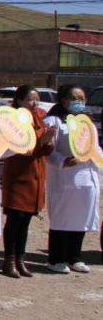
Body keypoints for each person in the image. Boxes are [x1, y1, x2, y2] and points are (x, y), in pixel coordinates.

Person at [43, 84, 98, 274]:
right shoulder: (53, 121)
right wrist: (62, 161)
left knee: (81, 217)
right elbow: (47, 150)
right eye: (74, 98)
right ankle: (56, 258)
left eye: (82, 98)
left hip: (87, 177)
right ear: (63, 100)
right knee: (63, 219)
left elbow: (95, 147)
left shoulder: (86, 121)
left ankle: (75, 257)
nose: (79, 102)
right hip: (65, 177)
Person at [0, 85, 54, 278]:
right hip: (19, 176)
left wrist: (48, 142)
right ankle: (9, 260)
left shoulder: (37, 119)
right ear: (19, 100)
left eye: (37, 99)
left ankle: (20, 259)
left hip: (35, 177)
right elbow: (20, 148)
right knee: (15, 220)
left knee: (25, 223)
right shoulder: (13, 120)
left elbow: (44, 149)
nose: (35, 103)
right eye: (31, 99)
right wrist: (41, 142)